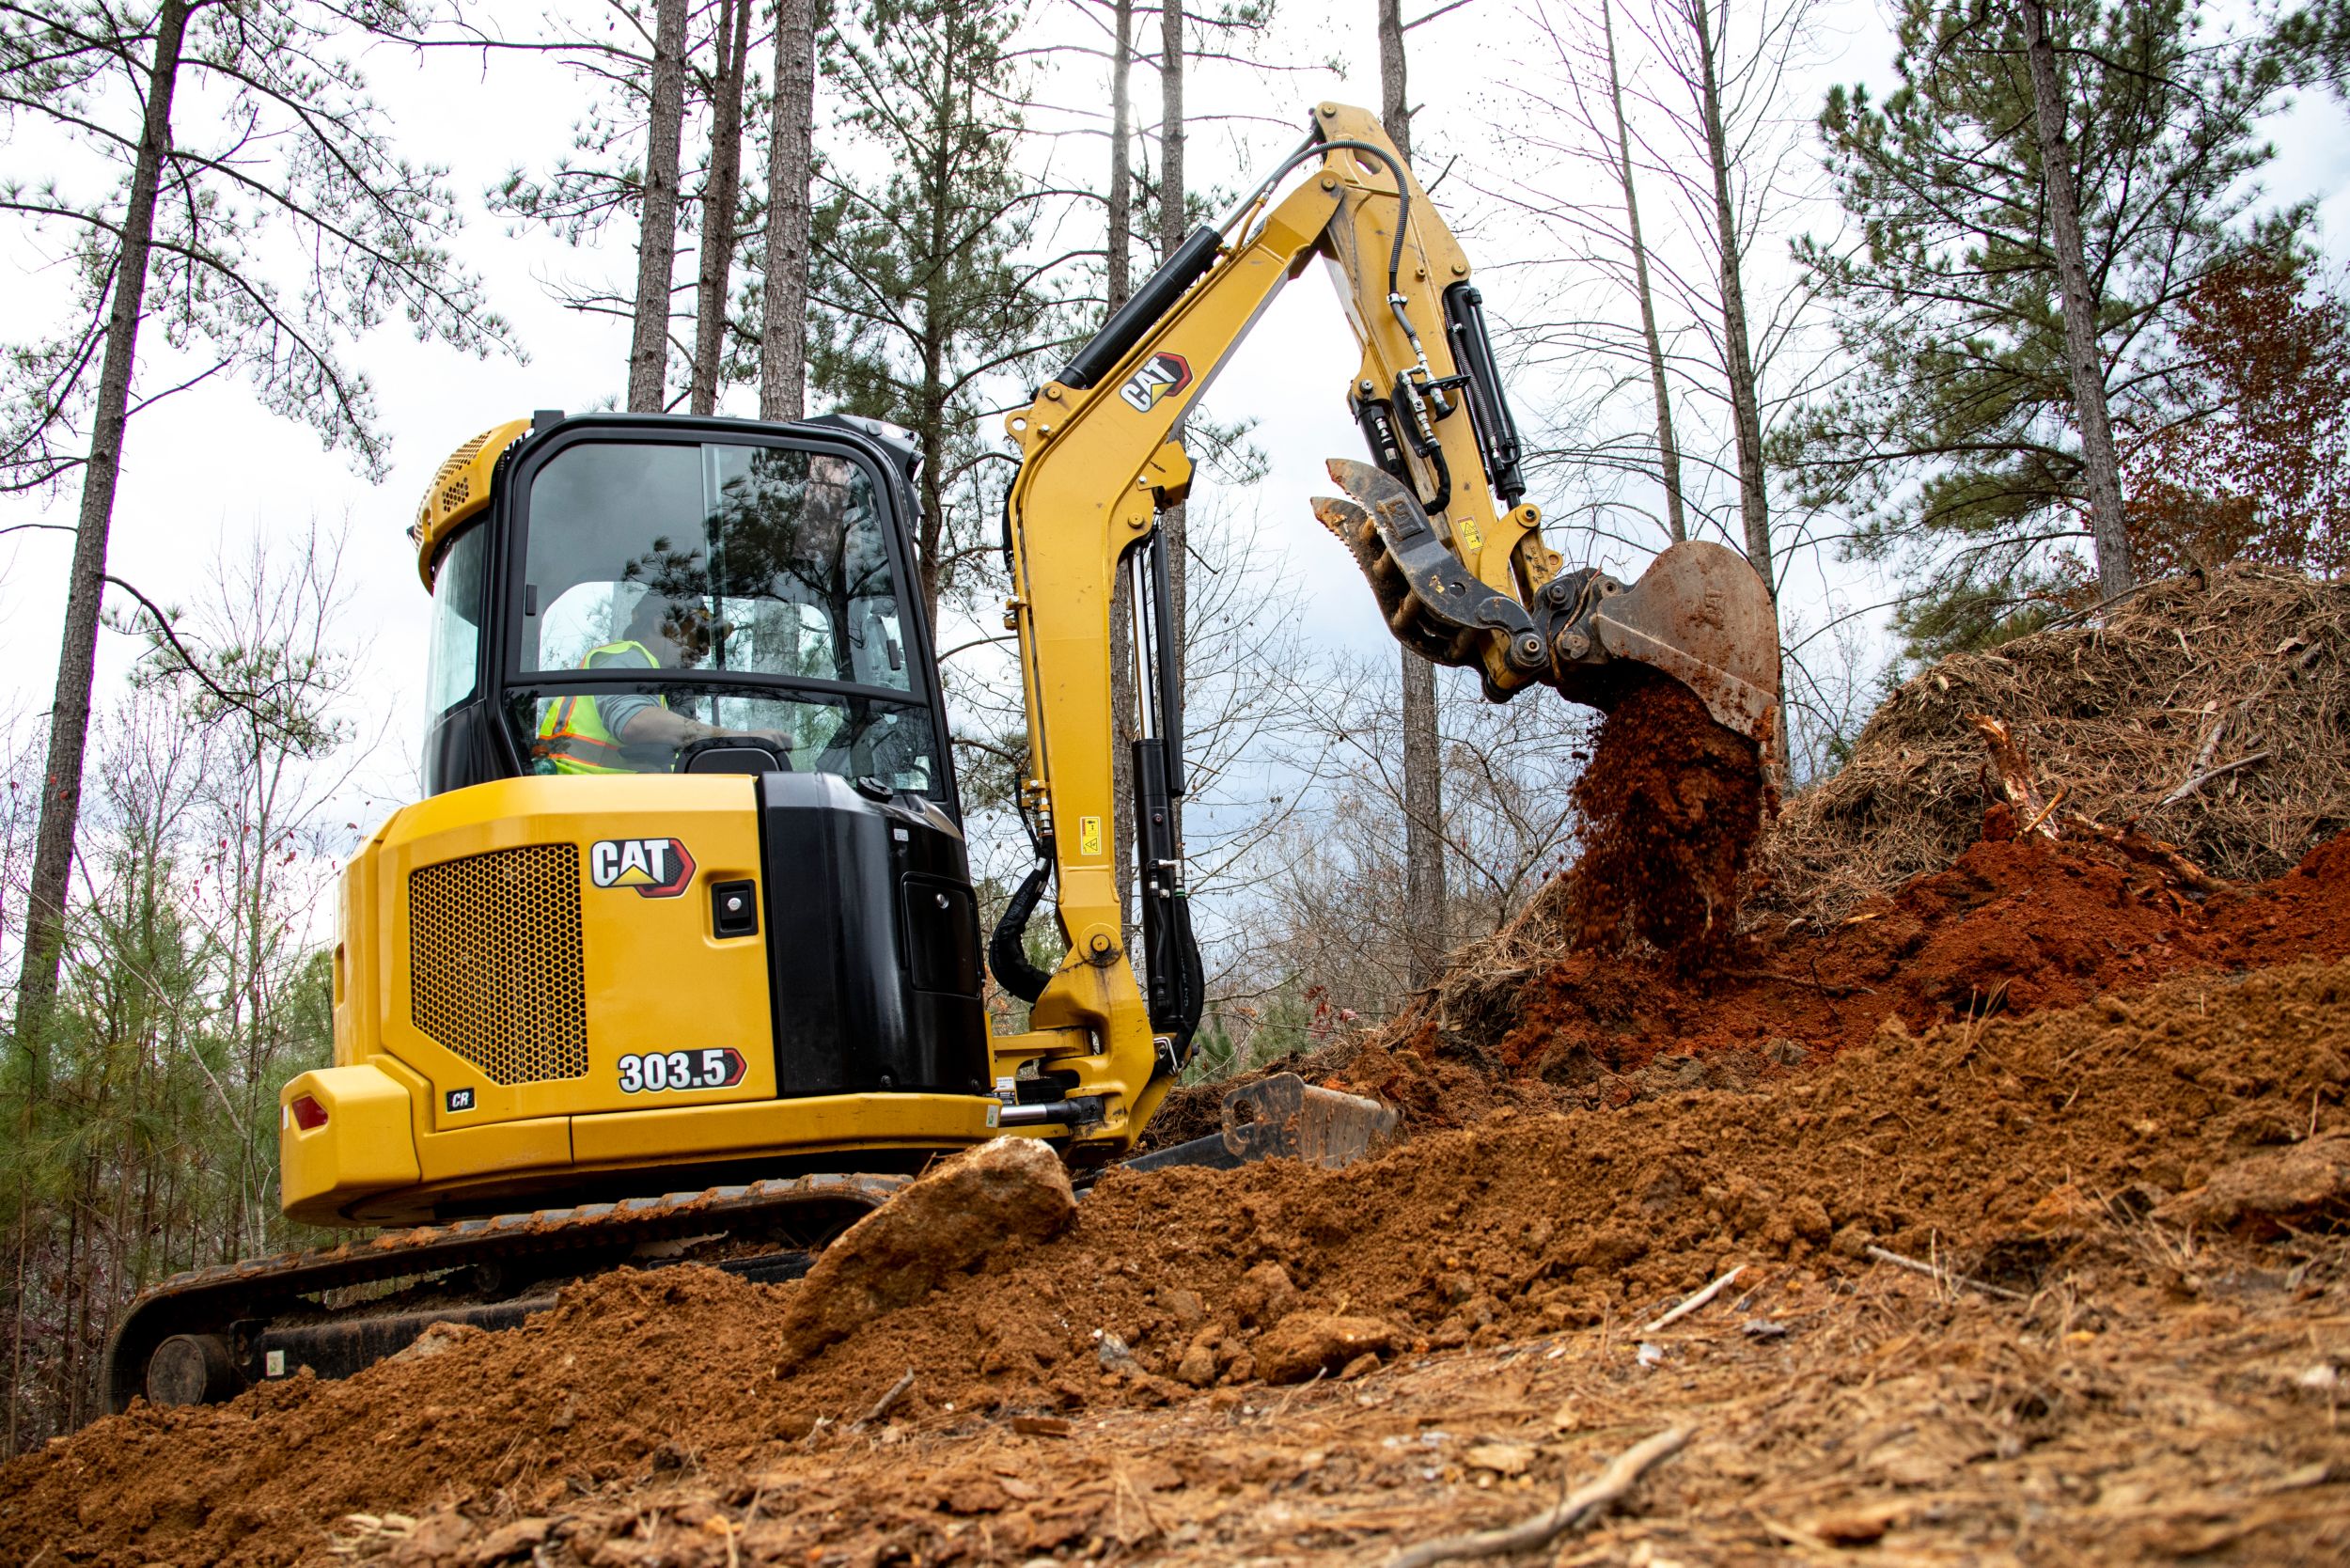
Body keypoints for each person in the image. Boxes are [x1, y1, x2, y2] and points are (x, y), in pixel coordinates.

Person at [533, 588, 790, 773]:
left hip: (607, 805)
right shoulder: (625, 657)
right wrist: (742, 737)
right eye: (698, 633)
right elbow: (635, 723)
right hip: (577, 804)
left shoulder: (657, 684)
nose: (705, 650)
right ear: (663, 625)